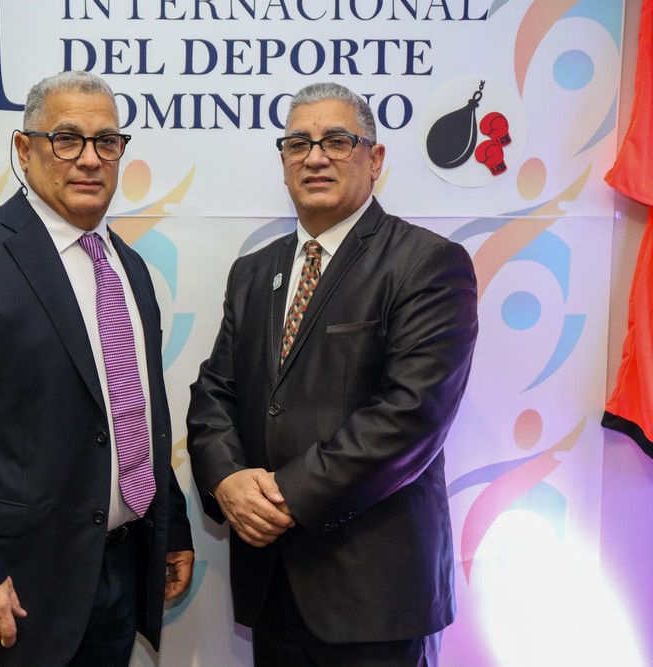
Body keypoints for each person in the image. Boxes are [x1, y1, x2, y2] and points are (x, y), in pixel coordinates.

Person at [0, 70, 194, 667]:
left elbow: (133, 413)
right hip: (15, 588)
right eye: (67, 139)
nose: (90, 158)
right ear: (25, 150)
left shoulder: (131, 268)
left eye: (106, 141)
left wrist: (172, 525)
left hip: (121, 571)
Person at [186, 82, 478, 666]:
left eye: (337, 141)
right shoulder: (253, 272)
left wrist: (283, 496)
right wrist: (228, 481)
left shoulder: (427, 263)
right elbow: (215, 393)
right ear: (284, 161)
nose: (314, 157)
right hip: (271, 586)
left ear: (375, 158)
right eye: (298, 143)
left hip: (375, 593)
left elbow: (410, 417)